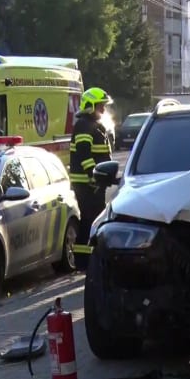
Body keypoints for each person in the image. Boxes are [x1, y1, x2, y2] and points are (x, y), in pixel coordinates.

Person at [69, 87, 114, 270]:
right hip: (86, 183)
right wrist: (93, 178)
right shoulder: (83, 126)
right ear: (90, 106)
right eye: (100, 106)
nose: (103, 109)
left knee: (93, 218)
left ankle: (89, 260)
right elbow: (85, 155)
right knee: (89, 220)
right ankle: (84, 262)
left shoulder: (94, 126)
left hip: (94, 182)